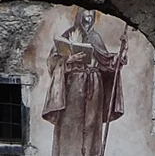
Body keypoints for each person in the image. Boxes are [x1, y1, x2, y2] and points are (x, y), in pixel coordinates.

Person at [41, 8, 126, 156]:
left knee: (92, 124)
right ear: (79, 15)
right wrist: (68, 59)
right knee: (71, 123)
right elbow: (52, 61)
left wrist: (118, 58)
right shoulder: (68, 35)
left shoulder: (96, 38)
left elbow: (105, 62)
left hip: (94, 86)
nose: (88, 16)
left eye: (91, 13)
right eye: (85, 13)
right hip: (74, 86)